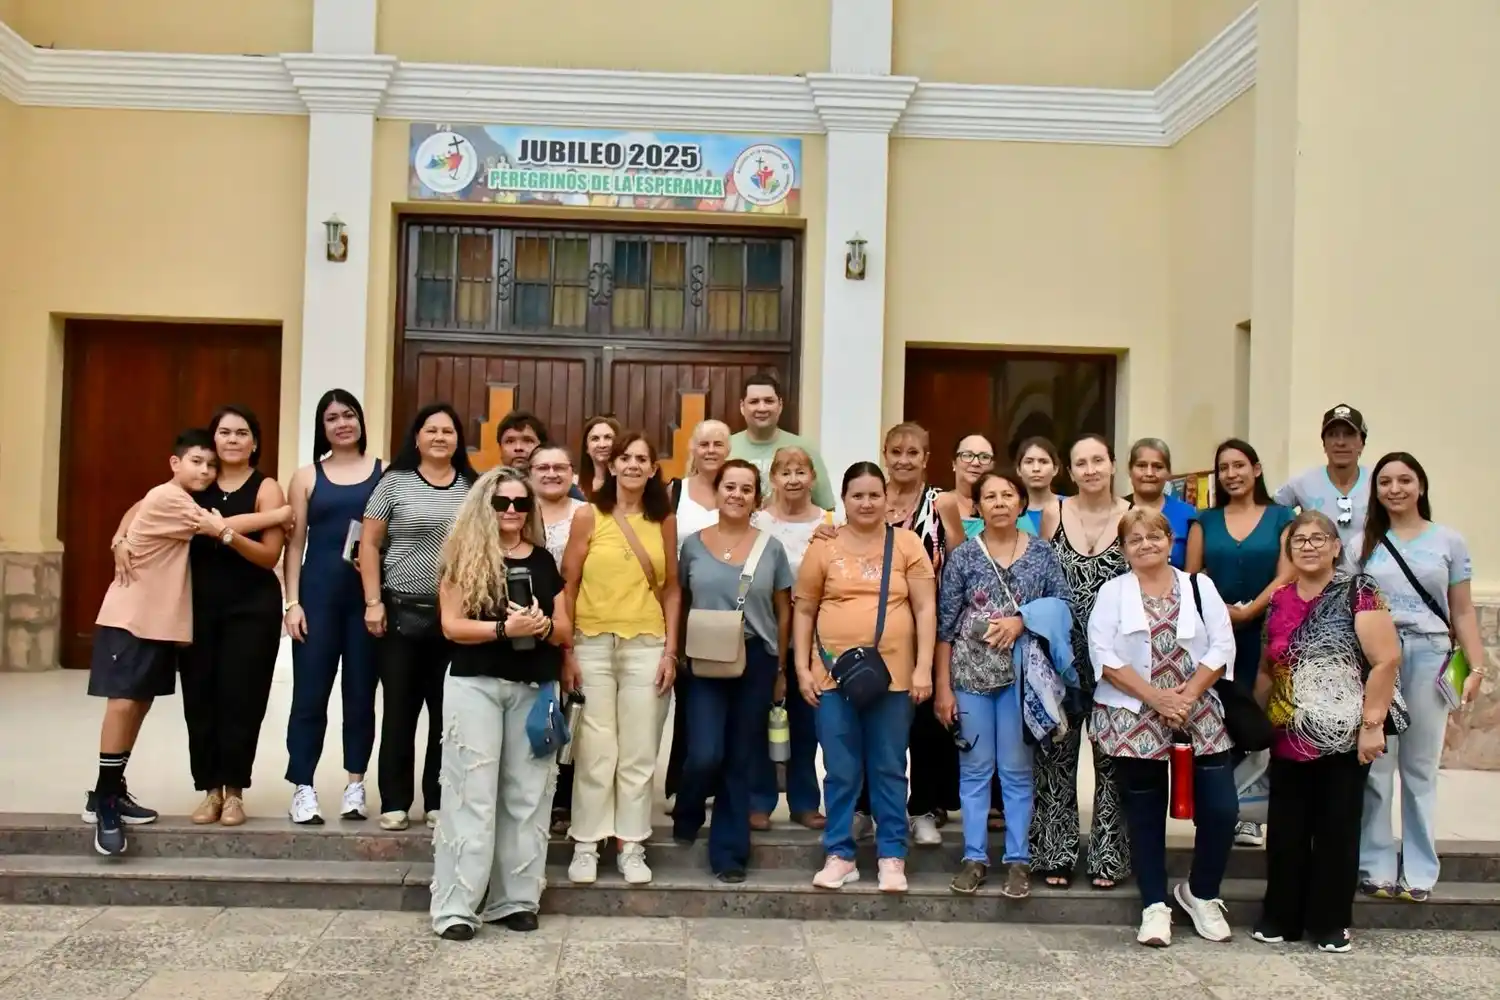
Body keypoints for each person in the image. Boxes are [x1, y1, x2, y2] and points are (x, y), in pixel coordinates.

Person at [429, 467, 569, 940]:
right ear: (484, 506)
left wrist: (542, 626)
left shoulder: (546, 561)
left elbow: (567, 629)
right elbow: (451, 625)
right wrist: (506, 630)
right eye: (502, 502)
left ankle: (516, 900)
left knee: (528, 795)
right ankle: (456, 906)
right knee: (472, 792)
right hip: (476, 683)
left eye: (520, 503)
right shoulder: (463, 557)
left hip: (533, 685)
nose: (511, 511)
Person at [1089, 508, 1239, 947]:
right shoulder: (1113, 592)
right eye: (1134, 540)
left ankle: (1202, 893)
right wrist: (1156, 698)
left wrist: (1186, 695)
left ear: (1170, 540)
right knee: (1145, 813)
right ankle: (1155, 904)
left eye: (1154, 537)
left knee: (1220, 809)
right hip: (1134, 713)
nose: (1145, 545)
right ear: (1123, 549)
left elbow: (1222, 644)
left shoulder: (1199, 586)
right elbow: (1103, 653)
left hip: (1198, 708)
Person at [1254, 510, 1401, 953]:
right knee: (1286, 831)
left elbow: (1386, 659)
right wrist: (1254, 721)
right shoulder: (1280, 598)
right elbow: (1268, 665)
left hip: (1344, 733)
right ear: (1289, 551)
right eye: (1300, 540)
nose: (1310, 546)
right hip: (1287, 732)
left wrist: (1372, 725)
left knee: (1336, 829)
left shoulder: (1359, 591)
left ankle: (1331, 923)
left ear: (1337, 547)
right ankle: (1282, 917)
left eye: (1320, 539)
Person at [794, 462, 937, 893]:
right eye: (858, 495)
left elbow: (925, 609)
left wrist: (924, 667)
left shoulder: (908, 544)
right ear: (844, 499)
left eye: (875, 494)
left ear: (887, 499)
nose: (867, 503)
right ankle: (839, 853)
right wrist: (802, 667)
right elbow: (804, 608)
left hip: (893, 679)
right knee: (839, 767)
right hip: (833, 678)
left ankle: (892, 854)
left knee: (890, 767)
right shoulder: (824, 547)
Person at [1356, 452, 1487, 902]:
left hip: (1431, 653)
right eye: (1385, 481)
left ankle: (1419, 870)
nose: (1395, 489)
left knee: (1419, 766)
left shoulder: (1448, 541)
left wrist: (1476, 667)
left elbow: (1464, 611)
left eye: (1404, 480)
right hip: (1378, 659)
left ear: (1421, 486)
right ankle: (1374, 864)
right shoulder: (1365, 543)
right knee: (1377, 763)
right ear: (1375, 491)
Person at [934, 469, 1071, 899]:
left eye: (1006, 494)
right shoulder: (964, 557)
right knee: (975, 770)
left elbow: (1063, 605)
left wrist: (1022, 619)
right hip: (970, 676)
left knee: (1015, 770)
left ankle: (1017, 861)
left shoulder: (1042, 554)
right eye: (989, 496)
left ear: (1020, 503)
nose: (998, 503)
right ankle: (974, 857)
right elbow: (945, 626)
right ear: (978, 506)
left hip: (1021, 678)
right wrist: (942, 687)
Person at [86, 429, 221, 854]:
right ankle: (105, 803)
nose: (205, 469)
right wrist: (284, 513)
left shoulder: (169, 498)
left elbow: (136, 509)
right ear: (174, 463)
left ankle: (110, 789)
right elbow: (219, 527)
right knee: (122, 702)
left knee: (138, 704)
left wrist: (121, 536)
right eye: (196, 461)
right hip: (130, 618)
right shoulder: (170, 498)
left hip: (158, 623)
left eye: (211, 464)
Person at [560, 432, 680, 885]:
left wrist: (671, 649)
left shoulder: (662, 519)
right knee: (596, 751)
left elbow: (671, 588)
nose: (632, 465)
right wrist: (567, 650)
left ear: (653, 470)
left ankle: (632, 844)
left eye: (642, 459)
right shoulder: (588, 515)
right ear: (613, 465)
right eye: (625, 457)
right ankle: (587, 843)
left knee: (638, 751)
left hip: (646, 644)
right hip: (592, 642)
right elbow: (568, 586)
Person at [673, 459, 794, 882]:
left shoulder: (771, 548)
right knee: (705, 752)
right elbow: (680, 600)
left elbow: (783, 610)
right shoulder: (691, 544)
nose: (737, 495)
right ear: (717, 491)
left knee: (741, 756)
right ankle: (688, 808)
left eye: (746, 488)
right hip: (704, 659)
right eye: (730, 486)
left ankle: (728, 853)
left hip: (756, 660)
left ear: (756, 497)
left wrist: (780, 665)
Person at [361, 403, 478, 831]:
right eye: (431, 430)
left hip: (453, 617)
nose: (440, 437)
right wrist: (373, 602)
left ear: (458, 439)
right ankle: (394, 800)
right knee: (399, 709)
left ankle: (438, 798)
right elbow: (369, 545)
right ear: (417, 438)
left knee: (447, 713)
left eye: (448, 431)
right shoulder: (394, 483)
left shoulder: (473, 486)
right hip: (400, 613)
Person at [180, 405, 289, 827]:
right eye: (224, 432)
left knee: (242, 700)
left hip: (252, 608)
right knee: (200, 699)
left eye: (241, 433)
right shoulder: (196, 482)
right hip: (198, 607)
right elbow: (147, 507)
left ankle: (235, 792)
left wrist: (225, 533)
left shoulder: (267, 488)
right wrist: (120, 535)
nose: (232, 439)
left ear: (254, 442)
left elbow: (268, 556)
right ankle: (209, 790)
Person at [1034, 433, 1131, 890]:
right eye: (1081, 462)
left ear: (1113, 465)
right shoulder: (1054, 512)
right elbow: (1040, 576)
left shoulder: (1132, 517)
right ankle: (1055, 851)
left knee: (1112, 755)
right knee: (1056, 753)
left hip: (1117, 658)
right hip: (1062, 656)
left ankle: (1108, 856)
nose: (1090, 469)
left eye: (1098, 460)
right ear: (1069, 472)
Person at [1185, 438, 1294, 847]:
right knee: (1221, 721)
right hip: (1215, 635)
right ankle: (1217, 809)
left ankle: (1251, 812)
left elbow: (1287, 574)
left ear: (1257, 468)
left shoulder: (1283, 517)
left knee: (1260, 718)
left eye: (1239, 465)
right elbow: (1192, 578)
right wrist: (1220, 611)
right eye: (1224, 468)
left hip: (1268, 633)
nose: (1232, 474)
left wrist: (1249, 612)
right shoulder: (1204, 521)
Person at [282, 389, 383, 825]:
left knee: (360, 696)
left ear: (360, 421)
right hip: (317, 598)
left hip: (366, 601)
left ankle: (355, 785)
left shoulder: (386, 474)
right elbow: (294, 545)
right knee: (309, 696)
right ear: (322, 428)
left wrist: (380, 601)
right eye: (332, 418)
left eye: (349, 415)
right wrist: (292, 602)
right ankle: (303, 786)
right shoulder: (306, 477)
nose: (342, 423)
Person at [856, 423, 955, 845]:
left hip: (925, 628)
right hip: (872, 630)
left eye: (913, 452)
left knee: (925, 724)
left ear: (926, 458)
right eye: (895, 451)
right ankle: (862, 807)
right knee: (868, 718)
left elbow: (955, 567)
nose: (903, 459)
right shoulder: (870, 500)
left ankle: (923, 809)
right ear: (884, 453)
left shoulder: (941, 504)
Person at [748, 446, 831, 830]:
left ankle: (804, 801)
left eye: (801, 471)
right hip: (767, 632)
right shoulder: (757, 522)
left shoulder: (829, 523)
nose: (793, 479)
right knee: (762, 719)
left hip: (817, 639)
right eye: (785, 472)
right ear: (774, 479)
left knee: (807, 722)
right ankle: (759, 800)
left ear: (812, 477)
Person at [531, 443, 588, 835]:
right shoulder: (515, 509)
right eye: (543, 467)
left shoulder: (585, 515)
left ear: (572, 473)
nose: (552, 473)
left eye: (560, 467)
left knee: (569, 716)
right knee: (532, 715)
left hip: (575, 624)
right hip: (522, 626)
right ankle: (531, 798)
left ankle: (563, 801)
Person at [1273, 404, 1370, 569]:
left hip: (1369, 583)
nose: (1340, 442)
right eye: (1332, 435)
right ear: (1324, 444)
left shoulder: (1379, 481)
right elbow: (1270, 514)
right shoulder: (1302, 482)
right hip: (1318, 583)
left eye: (1349, 435)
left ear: (1361, 443)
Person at [728, 372, 834, 510]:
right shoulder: (725, 447)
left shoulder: (804, 448)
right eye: (754, 402)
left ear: (780, 405)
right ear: (742, 406)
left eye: (769, 401)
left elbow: (827, 507)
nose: (762, 408)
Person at [1124, 438, 1198, 569]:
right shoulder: (1115, 511)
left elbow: (1191, 573)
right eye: (1141, 466)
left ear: (1169, 473)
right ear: (1130, 470)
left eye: (1158, 467)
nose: (1149, 473)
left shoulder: (1188, 514)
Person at [499, 409, 587, 501]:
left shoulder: (566, 491)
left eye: (528, 440)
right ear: (500, 448)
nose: (518, 447)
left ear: (542, 447)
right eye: (510, 441)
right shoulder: (486, 488)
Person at [935, 434, 1000, 554]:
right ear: (954, 463)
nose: (975, 462)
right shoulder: (936, 504)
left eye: (984, 457)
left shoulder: (1005, 508)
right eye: (967, 455)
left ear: (993, 465)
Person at [1015, 437, 1060, 536]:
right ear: (1018, 470)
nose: (1036, 469)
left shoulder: (1071, 507)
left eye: (1043, 462)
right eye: (1029, 462)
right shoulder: (1010, 511)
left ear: (1055, 469)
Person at [577, 414, 621, 501]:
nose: (602, 445)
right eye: (595, 439)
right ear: (587, 448)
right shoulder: (575, 486)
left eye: (608, 437)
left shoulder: (628, 483)